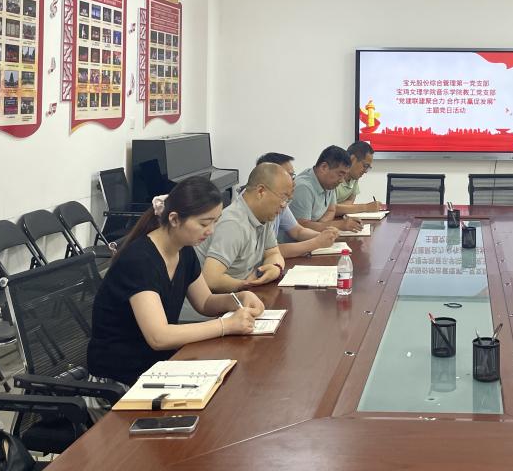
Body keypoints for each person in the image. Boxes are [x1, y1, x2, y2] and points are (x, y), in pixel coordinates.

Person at [88, 176, 263, 386]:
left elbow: (205, 302)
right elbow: (159, 337)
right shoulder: (139, 260)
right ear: (174, 219)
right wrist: (226, 325)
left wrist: (238, 299)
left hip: (157, 366)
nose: (211, 231)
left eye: (215, 222)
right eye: (204, 223)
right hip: (118, 380)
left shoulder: (184, 250)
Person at [180, 163, 337, 321]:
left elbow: (273, 252)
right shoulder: (234, 224)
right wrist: (247, 284)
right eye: (283, 198)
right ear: (261, 191)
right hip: (204, 316)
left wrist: (275, 267)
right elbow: (211, 278)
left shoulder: (264, 216)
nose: (284, 206)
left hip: (237, 301)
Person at [291, 145, 361, 233]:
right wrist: (339, 225)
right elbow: (301, 227)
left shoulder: (328, 183)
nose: (341, 180)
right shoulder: (303, 187)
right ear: (324, 167)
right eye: (340, 174)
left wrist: (321, 226)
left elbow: (331, 210)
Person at [333, 141, 386, 216]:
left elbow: (350, 201)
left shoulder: (354, 177)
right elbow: (329, 209)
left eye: (368, 167)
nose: (366, 171)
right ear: (352, 159)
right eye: (365, 166)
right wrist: (366, 207)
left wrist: (340, 208)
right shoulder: (333, 175)